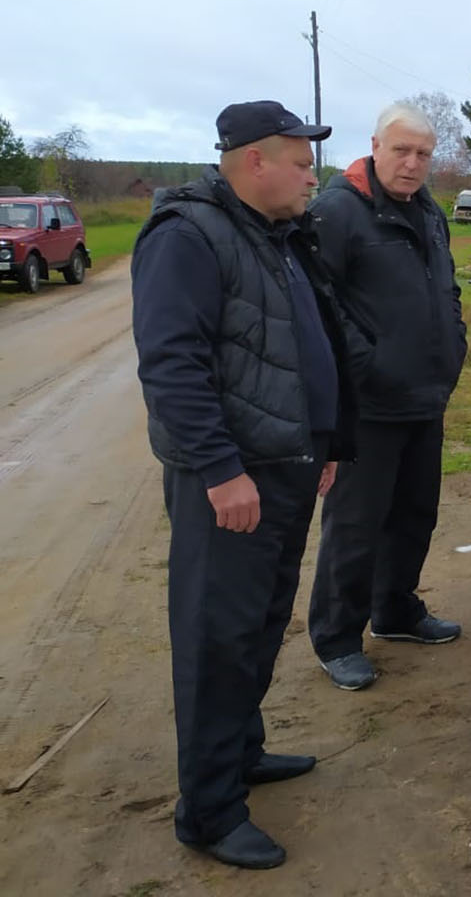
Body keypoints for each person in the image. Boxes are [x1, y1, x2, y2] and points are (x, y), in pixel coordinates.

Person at [132, 100, 355, 869]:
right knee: (216, 640)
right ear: (254, 161)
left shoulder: (277, 234)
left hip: (287, 466)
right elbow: (172, 366)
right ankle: (209, 810)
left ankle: (242, 753)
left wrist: (327, 442)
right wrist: (221, 470)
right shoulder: (188, 236)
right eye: (300, 161)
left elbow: (303, 345)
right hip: (233, 481)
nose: (312, 174)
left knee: (259, 627)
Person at [307, 102, 467, 690]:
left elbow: (446, 287)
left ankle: (395, 610)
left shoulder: (428, 211)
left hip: (425, 394)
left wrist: (453, 343)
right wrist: (366, 366)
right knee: (356, 524)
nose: (412, 163)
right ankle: (336, 636)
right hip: (368, 404)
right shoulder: (337, 212)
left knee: (414, 514)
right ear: (375, 145)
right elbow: (321, 307)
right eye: (401, 150)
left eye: (423, 153)